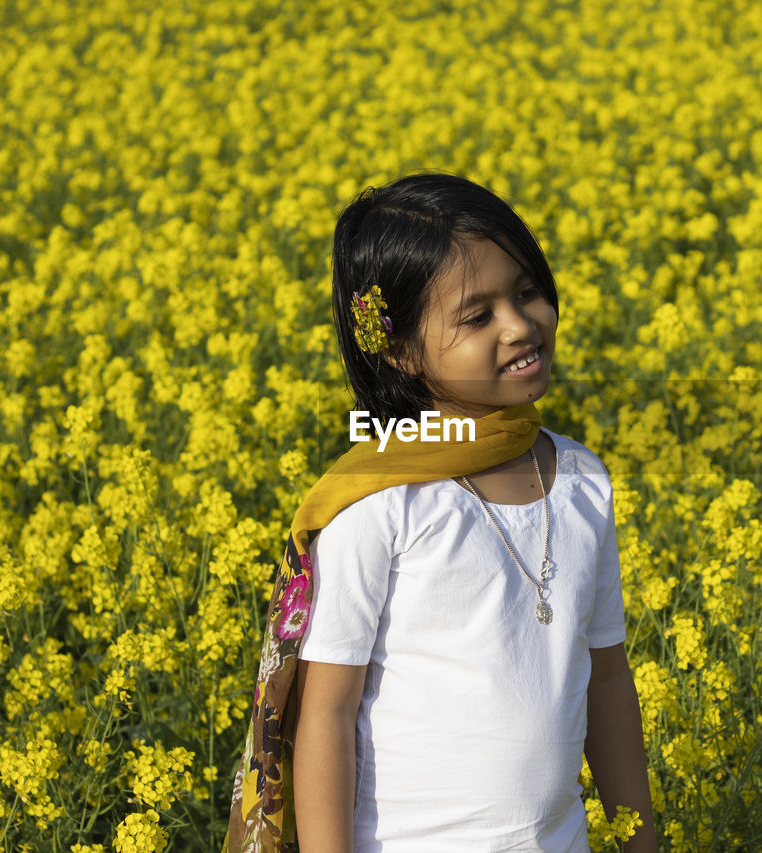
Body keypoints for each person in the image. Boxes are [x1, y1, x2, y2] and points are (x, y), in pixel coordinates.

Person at [222, 172, 655, 852]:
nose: (519, 325)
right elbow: (325, 714)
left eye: (528, 292)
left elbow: (607, 680)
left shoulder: (580, 479)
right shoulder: (381, 499)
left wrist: (640, 840)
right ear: (398, 349)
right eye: (477, 316)